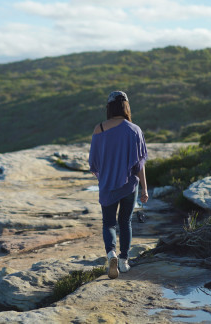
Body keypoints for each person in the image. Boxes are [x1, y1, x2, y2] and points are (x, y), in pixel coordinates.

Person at [88, 90, 148, 279]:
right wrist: (145, 189)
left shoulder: (99, 129)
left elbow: (94, 161)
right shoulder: (135, 130)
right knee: (125, 222)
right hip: (129, 184)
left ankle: (111, 254)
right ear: (126, 107)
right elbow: (139, 164)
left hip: (107, 184)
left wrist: (106, 173)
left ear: (109, 108)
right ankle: (123, 261)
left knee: (108, 223)